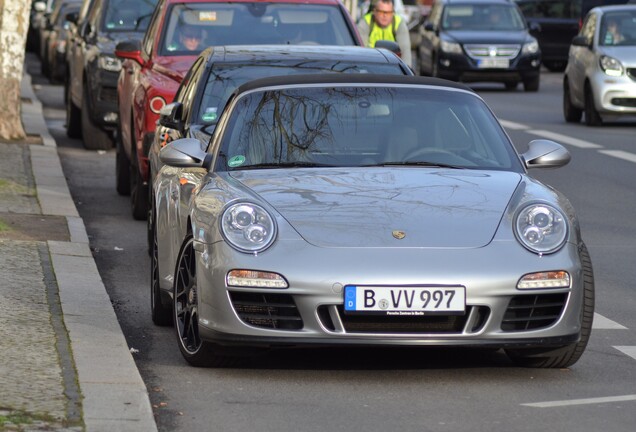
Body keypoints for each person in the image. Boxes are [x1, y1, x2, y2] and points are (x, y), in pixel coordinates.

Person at [357, 0, 412, 68]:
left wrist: (407, 72)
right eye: (381, 12)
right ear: (374, 11)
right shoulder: (366, 22)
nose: (385, 15)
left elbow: (405, 52)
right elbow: (360, 50)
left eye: (388, 12)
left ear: (393, 13)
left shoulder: (399, 23)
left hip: (393, 66)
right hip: (370, 64)